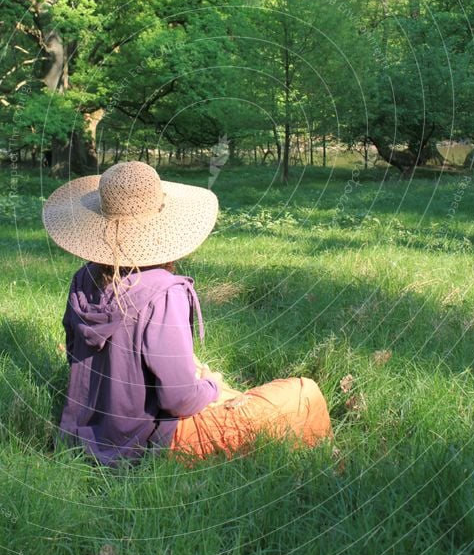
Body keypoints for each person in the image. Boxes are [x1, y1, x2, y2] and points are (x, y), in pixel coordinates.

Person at [42, 160, 333, 467]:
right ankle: (322, 469)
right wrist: (211, 384)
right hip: (154, 441)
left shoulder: (83, 279)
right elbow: (178, 401)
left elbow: (77, 357)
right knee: (304, 394)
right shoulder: (164, 293)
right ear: (160, 225)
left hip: (86, 432)